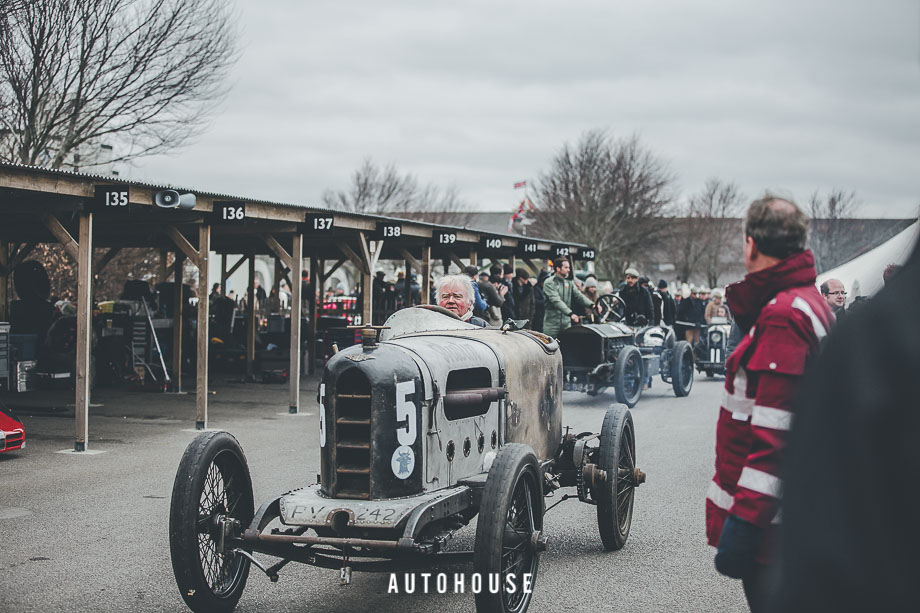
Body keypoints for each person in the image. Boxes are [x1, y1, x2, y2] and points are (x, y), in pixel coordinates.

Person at [769, 241, 920, 612]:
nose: (839, 296)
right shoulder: (869, 338)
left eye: (840, 292)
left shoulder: (870, 331)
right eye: (834, 292)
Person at [706, 195, 834, 613]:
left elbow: (777, 435)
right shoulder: (807, 301)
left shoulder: (782, 316)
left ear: (751, 245)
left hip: (774, 529)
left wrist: (744, 524)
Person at [542, 258, 594, 338]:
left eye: (569, 267)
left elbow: (579, 296)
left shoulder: (569, 282)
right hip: (552, 324)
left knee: (567, 347)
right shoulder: (549, 282)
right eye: (566, 267)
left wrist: (592, 305)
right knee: (549, 347)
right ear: (558, 269)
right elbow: (556, 300)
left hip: (566, 323)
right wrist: (570, 313)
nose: (569, 270)